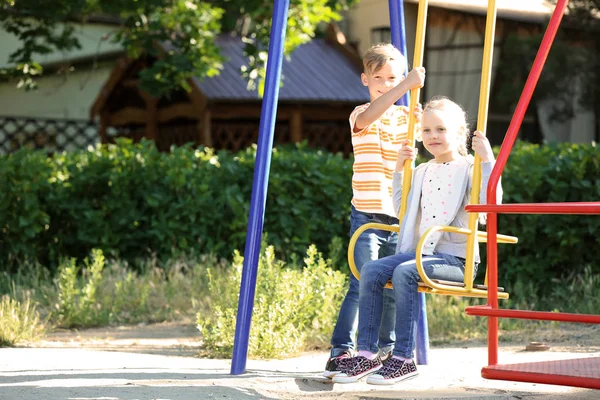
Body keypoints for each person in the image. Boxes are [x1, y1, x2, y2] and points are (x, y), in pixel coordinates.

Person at [332, 96, 502, 385]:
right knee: (372, 270)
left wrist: (487, 160)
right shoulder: (423, 171)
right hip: (422, 255)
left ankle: (403, 358)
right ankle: (366, 353)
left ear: (460, 133)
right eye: (426, 131)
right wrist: (399, 170)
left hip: (456, 261)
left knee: (405, 271)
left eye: (441, 129)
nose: (432, 136)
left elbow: (490, 206)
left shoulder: (470, 168)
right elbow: (402, 210)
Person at [323, 43, 426, 378]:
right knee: (360, 282)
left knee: (394, 286)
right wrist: (403, 86)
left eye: (392, 77)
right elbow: (373, 113)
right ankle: (341, 351)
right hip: (367, 214)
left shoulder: (405, 118)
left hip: (398, 217)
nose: (385, 83)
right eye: (378, 77)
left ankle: (384, 349)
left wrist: (421, 126)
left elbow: (416, 157)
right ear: (365, 79)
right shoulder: (360, 114)